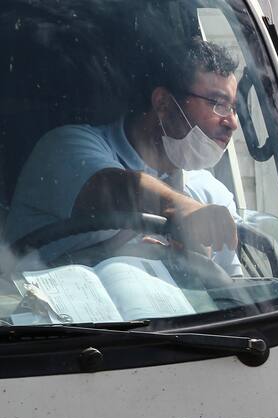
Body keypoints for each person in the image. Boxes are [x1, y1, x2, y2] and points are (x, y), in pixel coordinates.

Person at [6, 37, 242, 275]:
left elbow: (235, 294)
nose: (232, 122)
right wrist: (180, 209)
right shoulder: (65, 148)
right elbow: (114, 188)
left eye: (234, 108)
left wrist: (195, 268)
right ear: (163, 103)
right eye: (218, 104)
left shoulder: (211, 196)